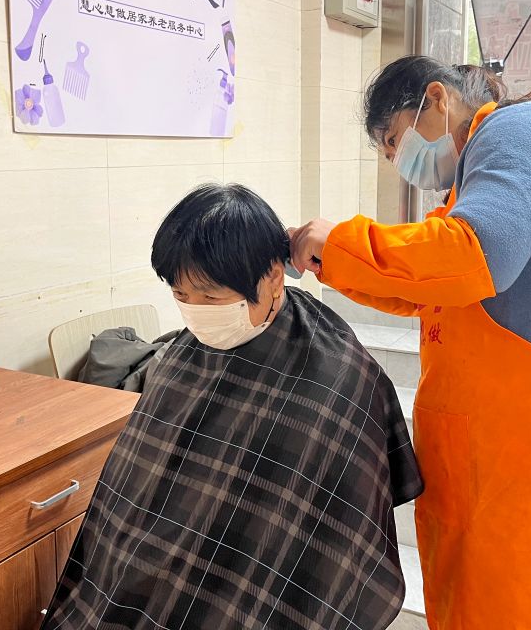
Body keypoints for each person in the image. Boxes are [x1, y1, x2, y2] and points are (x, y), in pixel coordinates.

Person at [289, 56, 531, 629]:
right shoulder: (475, 175)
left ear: (436, 98)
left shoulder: (524, 131)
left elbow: (473, 252)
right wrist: (328, 260)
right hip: (500, 465)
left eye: (394, 140)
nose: (399, 162)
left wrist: (341, 241)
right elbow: (433, 291)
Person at [43, 183, 423, 630]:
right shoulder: (185, 353)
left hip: (258, 588)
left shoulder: (334, 373)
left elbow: (334, 519)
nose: (195, 311)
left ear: (274, 277)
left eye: (210, 297)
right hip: (143, 571)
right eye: (181, 296)